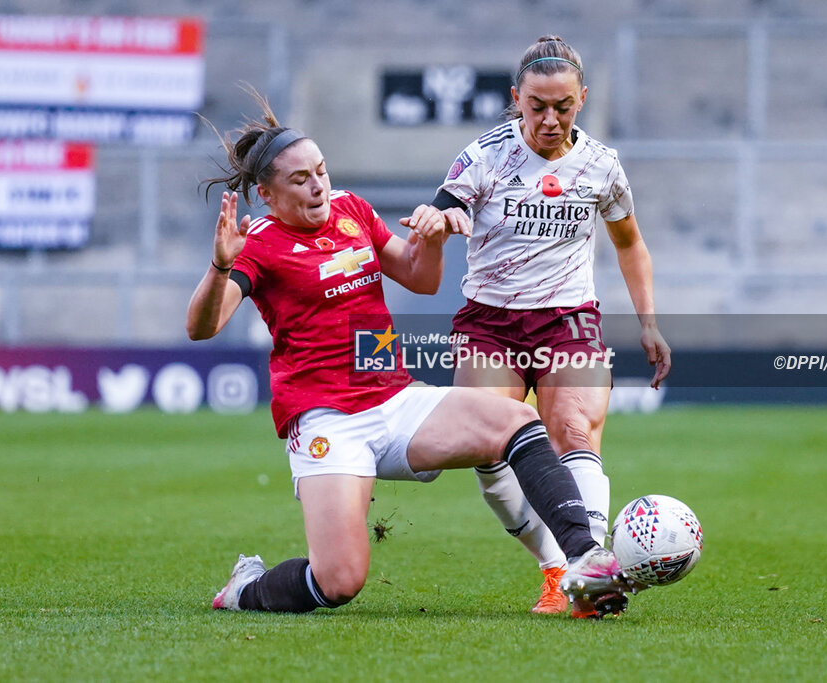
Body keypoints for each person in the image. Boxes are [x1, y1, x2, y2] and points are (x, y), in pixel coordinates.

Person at [186, 92, 631, 616]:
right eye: (300, 179)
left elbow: (420, 279)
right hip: (327, 419)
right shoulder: (257, 242)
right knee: (339, 581)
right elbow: (203, 326)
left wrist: (435, 237)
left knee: (514, 420)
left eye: (321, 171)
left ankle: (582, 559)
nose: (318, 186)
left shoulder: (351, 210)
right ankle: (246, 589)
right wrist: (219, 267)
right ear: (266, 193)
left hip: (393, 399)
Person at [429, 36, 671, 617]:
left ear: (582, 99)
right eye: (537, 105)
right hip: (490, 322)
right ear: (516, 98)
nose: (549, 118)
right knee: (489, 449)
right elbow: (442, 206)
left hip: (570, 320)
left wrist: (649, 323)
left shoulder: (602, 166)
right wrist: (444, 218)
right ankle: (557, 567)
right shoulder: (484, 156)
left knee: (572, 430)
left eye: (563, 106)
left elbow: (630, 244)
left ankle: (594, 576)